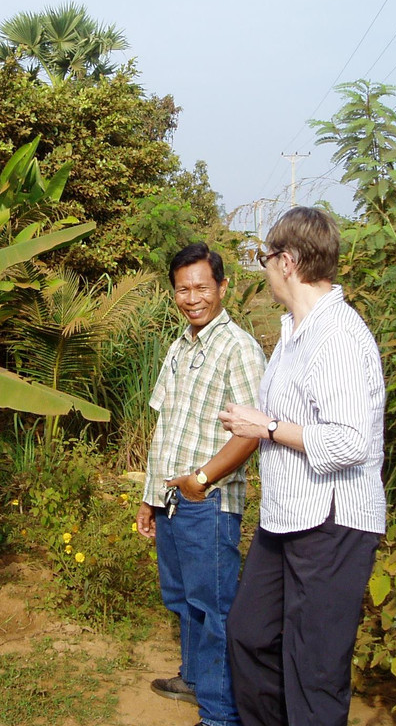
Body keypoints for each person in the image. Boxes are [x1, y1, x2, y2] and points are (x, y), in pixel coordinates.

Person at [217, 206, 386, 726]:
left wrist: (265, 428)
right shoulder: (295, 330)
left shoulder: (337, 337)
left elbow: (349, 443)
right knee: (250, 635)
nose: (263, 269)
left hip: (333, 522)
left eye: (265, 258)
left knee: (314, 669)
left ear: (287, 261)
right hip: (289, 516)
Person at [136, 242, 267, 726]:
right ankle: (194, 679)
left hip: (208, 502)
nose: (192, 298)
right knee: (181, 599)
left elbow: (252, 430)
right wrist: (150, 497)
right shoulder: (180, 346)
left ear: (222, 287)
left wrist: (200, 480)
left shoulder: (239, 349)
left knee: (214, 608)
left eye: (202, 288)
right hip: (172, 500)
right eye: (183, 289)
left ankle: (220, 714)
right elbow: (165, 427)